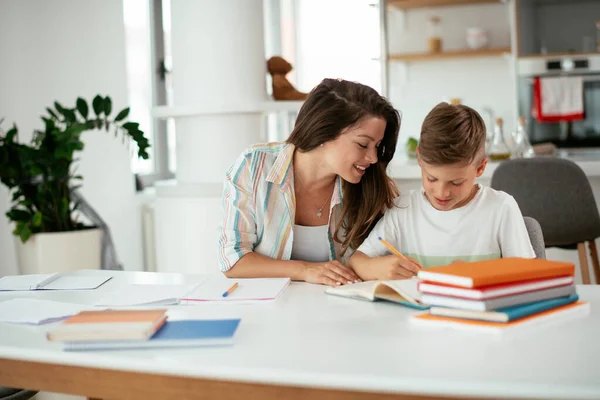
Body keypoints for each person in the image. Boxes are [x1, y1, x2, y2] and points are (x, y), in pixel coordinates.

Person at [218, 78, 402, 286]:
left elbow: (380, 257)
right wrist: (305, 270)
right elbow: (233, 260)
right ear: (324, 131)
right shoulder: (254, 166)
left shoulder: (372, 186)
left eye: (377, 146)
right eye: (363, 144)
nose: (373, 157)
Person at [349, 102, 536, 281]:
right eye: (432, 178)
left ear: (480, 168)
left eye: (456, 182)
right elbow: (357, 261)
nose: (441, 192)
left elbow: (529, 274)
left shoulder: (501, 208)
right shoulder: (402, 209)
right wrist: (376, 268)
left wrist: (480, 272)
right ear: (420, 158)